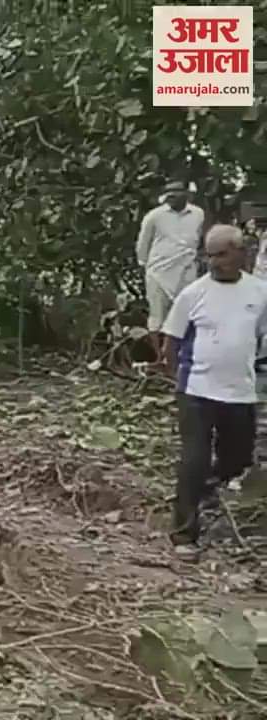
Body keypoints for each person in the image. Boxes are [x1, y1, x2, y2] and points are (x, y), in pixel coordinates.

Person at [161, 224, 267, 559]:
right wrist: (178, 381)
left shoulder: (259, 292)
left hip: (240, 391)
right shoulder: (193, 293)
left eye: (221, 254)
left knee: (237, 459)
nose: (214, 262)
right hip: (197, 390)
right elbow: (171, 342)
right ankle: (183, 534)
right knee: (194, 458)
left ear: (241, 252)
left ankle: (207, 493)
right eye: (209, 255)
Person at [138, 181, 205, 359]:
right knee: (157, 316)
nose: (172, 195)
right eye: (168, 192)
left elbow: (200, 240)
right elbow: (142, 247)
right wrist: (147, 267)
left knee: (185, 315)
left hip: (186, 271)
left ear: (186, 194)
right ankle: (160, 358)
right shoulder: (154, 216)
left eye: (176, 191)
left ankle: (182, 357)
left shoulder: (198, 214)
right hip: (158, 272)